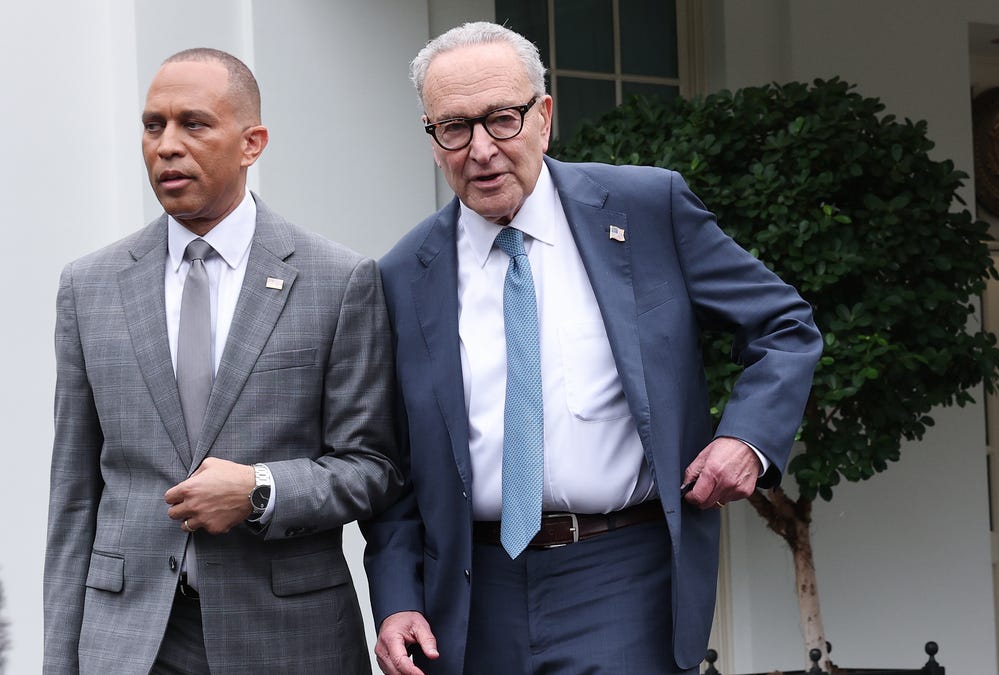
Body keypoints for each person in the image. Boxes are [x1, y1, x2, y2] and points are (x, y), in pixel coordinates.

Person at [363, 22, 821, 675]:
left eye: (502, 119)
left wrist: (747, 438)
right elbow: (391, 463)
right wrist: (396, 598)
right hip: (470, 593)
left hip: (621, 574)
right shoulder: (403, 275)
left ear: (544, 117)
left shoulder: (646, 209)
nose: (481, 149)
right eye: (454, 127)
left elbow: (783, 324)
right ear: (433, 140)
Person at [43, 47, 399, 674]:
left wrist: (260, 489)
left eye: (194, 123)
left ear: (251, 142)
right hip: (130, 645)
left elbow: (372, 467)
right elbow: (75, 498)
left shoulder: (339, 281)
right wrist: (60, 661)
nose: (167, 145)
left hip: (288, 639)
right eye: (153, 126)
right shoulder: (89, 287)